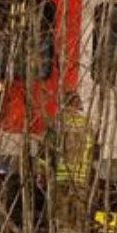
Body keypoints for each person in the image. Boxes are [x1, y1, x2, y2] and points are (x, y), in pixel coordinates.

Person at [44, 91, 96, 226]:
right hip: (81, 178)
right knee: (78, 217)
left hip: (61, 177)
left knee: (61, 216)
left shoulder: (57, 123)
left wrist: (42, 172)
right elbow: (92, 152)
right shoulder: (87, 124)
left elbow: (47, 151)